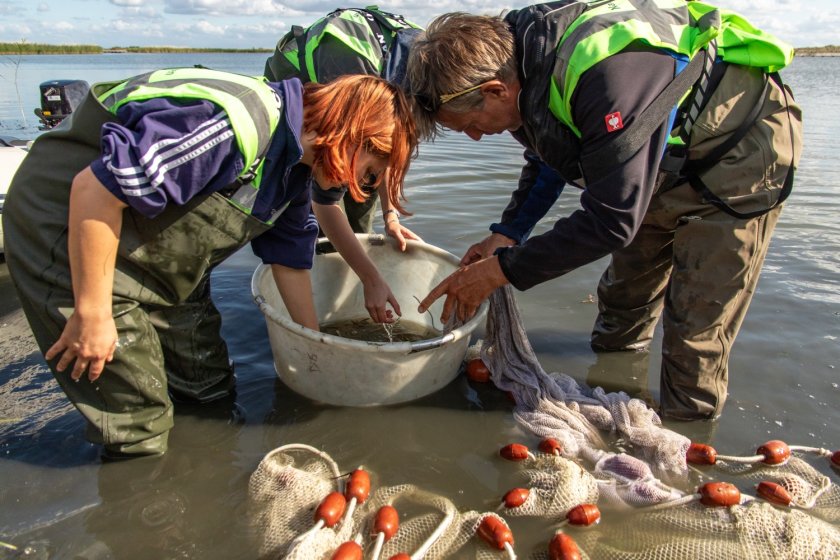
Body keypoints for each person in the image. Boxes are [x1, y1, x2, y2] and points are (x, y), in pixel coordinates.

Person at [408, 0, 802, 420]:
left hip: (736, 154)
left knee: (694, 326)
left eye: (468, 125)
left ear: (494, 91)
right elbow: (550, 152)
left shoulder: (607, 76)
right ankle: (619, 375)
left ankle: (687, 438)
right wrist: (508, 232)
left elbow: (613, 220)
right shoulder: (517, 63)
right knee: (623, 300)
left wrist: (501, 270)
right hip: (654, 159)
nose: (473, 138)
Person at [2, 68, 416, 458]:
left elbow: (289, 261)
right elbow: (94, 190)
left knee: (210, 388)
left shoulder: (299, 168)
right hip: (70, 231)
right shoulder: (236, 126)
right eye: (368, 173)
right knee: (139, 423)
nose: (353, 187)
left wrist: (315, 350)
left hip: (164, 263)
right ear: (353, 137)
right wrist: (92, 313)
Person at [265, 6, 425, 251]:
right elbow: (326, 198)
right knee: (315, 222)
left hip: (359, 116)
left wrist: (390, 216)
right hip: (310, 108)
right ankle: (320, 266)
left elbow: (387, 152)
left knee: (360, 201)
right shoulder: (348, 62)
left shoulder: (423, 76)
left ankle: (358, 270)